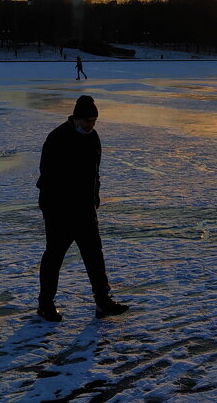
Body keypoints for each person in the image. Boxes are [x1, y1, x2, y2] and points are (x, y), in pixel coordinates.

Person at [35, 95, 128, 322]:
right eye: (87, 121)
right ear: (76, 118)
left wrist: (94, 195)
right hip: (60, 210)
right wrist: (57, 207)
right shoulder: (57, 138)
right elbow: (47, 178)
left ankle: (103, 301)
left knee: (94, 255)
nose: (90, 125)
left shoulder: (93, 138)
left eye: (94, 121)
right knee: (54, 257)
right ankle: (45, 304)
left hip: (85, 208)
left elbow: (94, 172)